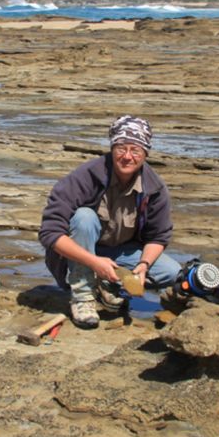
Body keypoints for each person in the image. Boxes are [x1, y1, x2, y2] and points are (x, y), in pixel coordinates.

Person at [38, 115, 180, 328]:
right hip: (81, 252)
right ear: (112, 148)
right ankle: (83, 297)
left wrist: (143, 265)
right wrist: (94, 262)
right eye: (122, 148)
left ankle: (107, 285)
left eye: (136, 150)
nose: (128, 156)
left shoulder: (154, 187)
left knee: (172, 273)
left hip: (121, 253)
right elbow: (49, 233)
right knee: (84, 217)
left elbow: (159, 236)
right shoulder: (86, 177)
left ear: (145, 154)